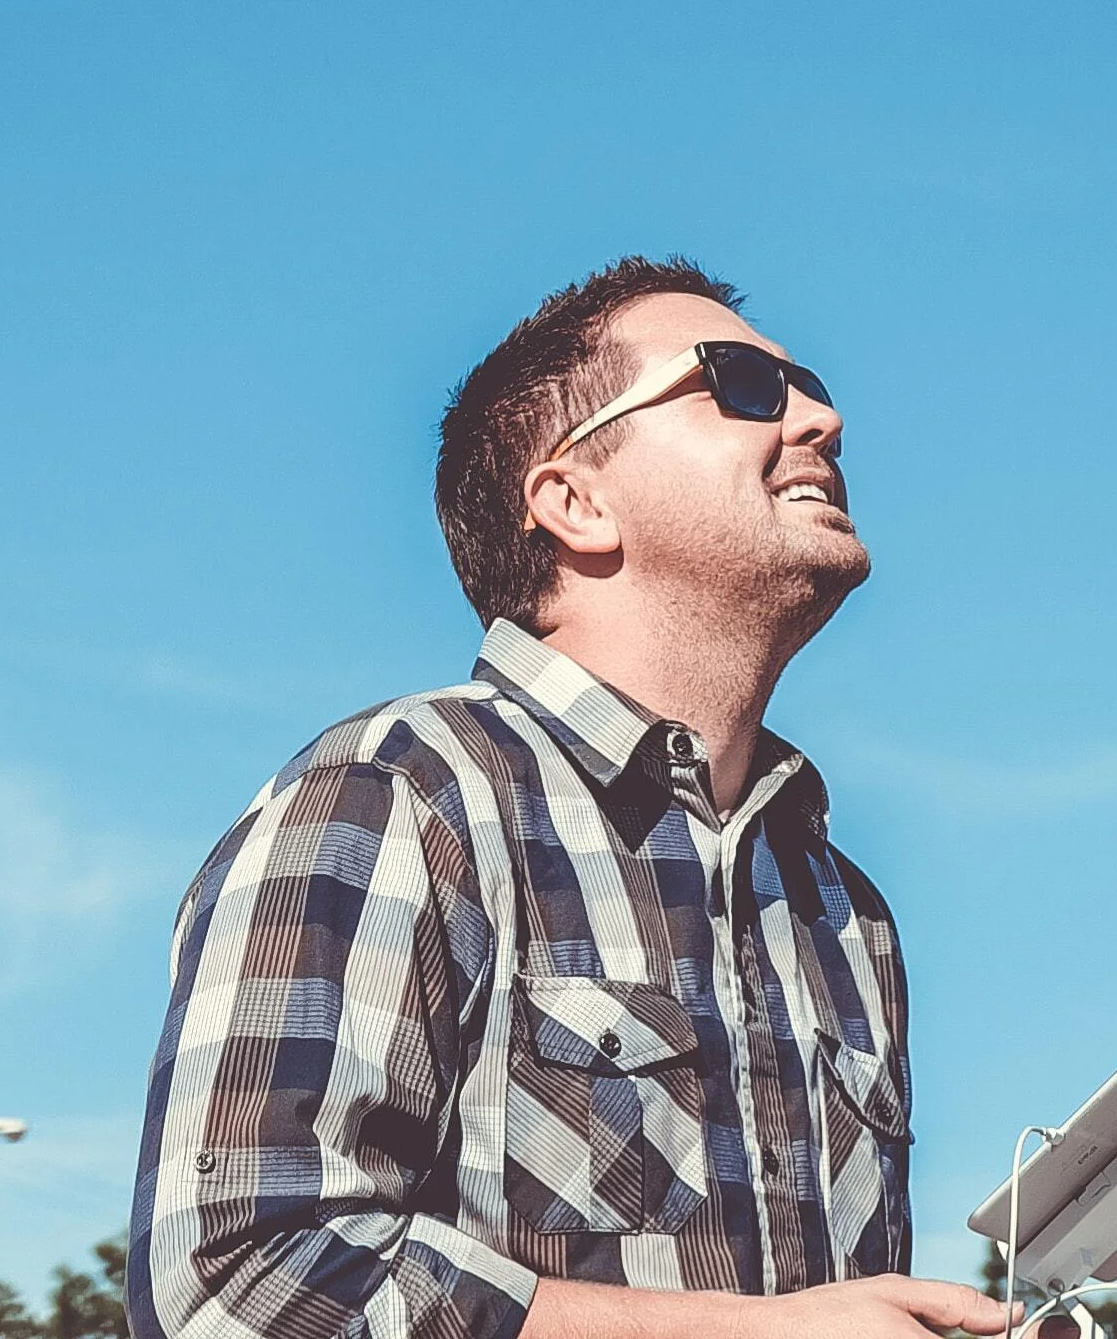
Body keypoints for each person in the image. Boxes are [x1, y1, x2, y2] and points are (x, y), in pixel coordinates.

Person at [131, 261, 1010, 1339]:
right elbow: (238, 1285)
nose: (823, 419)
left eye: (808, 384)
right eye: (742, 384)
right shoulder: (401, 796)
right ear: (574, 501)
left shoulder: (842, 906)